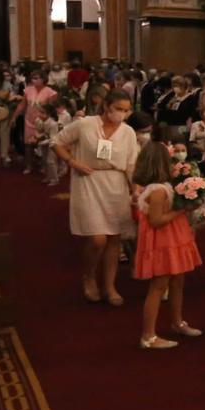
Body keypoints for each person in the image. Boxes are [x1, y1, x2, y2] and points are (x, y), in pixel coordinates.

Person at [54, 90, 138, 305]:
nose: (122, 114)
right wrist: (73, 162)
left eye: (127, 110)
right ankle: (89, 275)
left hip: (116, 184)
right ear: (106, 106)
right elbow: (57, 142)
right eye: (119, 109)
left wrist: (135, 190)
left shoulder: (128, 132)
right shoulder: (85, 124)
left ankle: (110, 285)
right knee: (97, 238)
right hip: (89, 181)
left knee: (113, 239)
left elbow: (131, 164)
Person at [130, 138, 203, 349]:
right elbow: (156, 220)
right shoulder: (158, 191)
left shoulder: (162, 187)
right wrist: (183, 209)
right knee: (158, 287)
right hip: (163, 242)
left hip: (174, 239)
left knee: (178, 280)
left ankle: (177, 321)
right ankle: (148, 335)